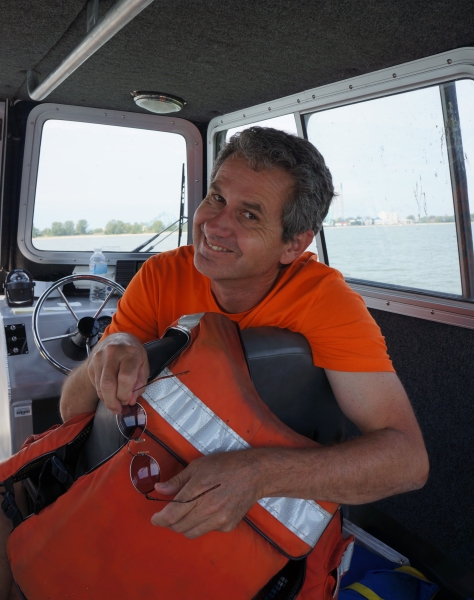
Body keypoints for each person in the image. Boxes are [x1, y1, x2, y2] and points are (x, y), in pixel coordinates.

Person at [0, 127, 429, 598]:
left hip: (246, 533)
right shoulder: (162, 275)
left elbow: (407, 461)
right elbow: (74, 412)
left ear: (294, 244)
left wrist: (257, 474)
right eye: (216, 197)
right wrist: (110, 347)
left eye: (249, 214)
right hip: (126, 486)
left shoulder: (325, 303)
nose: (215, 224)